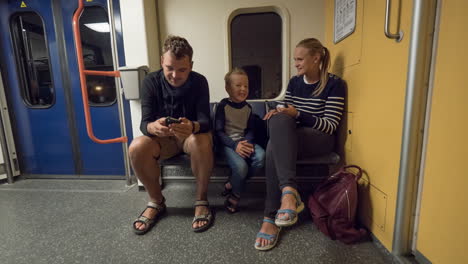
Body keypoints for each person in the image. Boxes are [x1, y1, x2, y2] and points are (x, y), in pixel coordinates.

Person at [254, 38, 345, 250]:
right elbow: (283, 105)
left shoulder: (334, 84)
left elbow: (330, 126)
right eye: (295, 59)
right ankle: (288, 192)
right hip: (294, 136)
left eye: (300, 59)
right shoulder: (295, 82)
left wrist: (298, 114)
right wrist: (277, 110)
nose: (296, 63)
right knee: (274, 137)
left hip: (319, 139)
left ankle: (270, 217)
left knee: (274, 146)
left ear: (316, 58)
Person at [129, 35, 214, 234]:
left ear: (191, 65)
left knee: (201, 140)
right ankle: (156, 201)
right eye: (169, 68)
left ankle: (201, 200)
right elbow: (144, 123)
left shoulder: (200, 81)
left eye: (182, 69)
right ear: (161, 62)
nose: (175, 75)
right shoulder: (150, 81)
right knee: (136, 146)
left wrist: (193, 126)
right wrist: (153, 128)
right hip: (162, 139)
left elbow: (205, 121)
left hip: (190, 138)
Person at [215, 68, 265, 213]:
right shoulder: (222, 106)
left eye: (246, 86)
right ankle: (236, 194)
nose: (243, 89)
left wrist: (247, 143)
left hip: (244, 141)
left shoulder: (248, 108)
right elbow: (218, 132)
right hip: (228, 144)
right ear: (228, 88)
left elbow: (250, 130)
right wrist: (235, 145)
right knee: (241, 167)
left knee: (261, 157)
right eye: (238, 85)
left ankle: (232, 182)